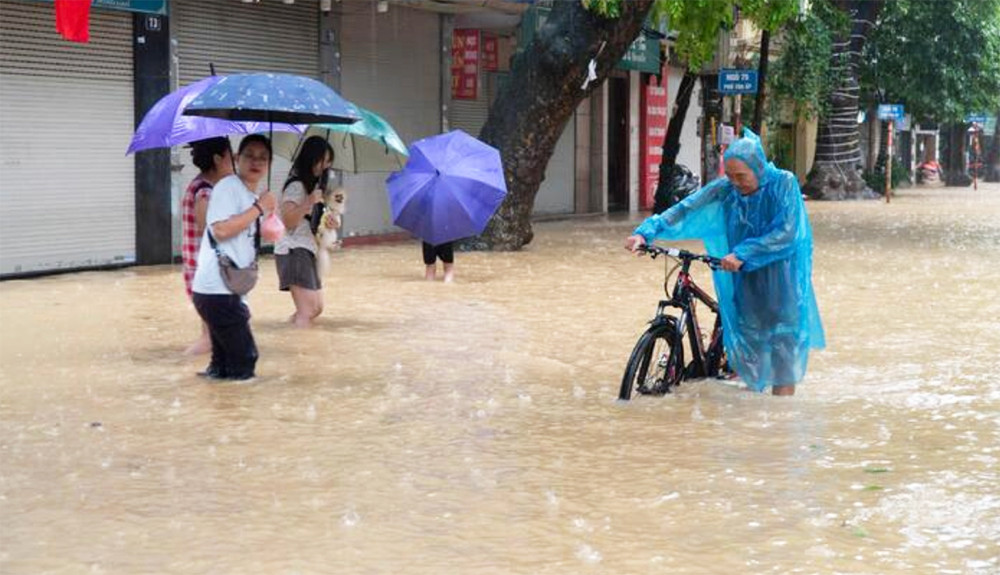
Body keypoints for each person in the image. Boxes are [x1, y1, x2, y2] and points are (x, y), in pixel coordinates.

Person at [625, 128, 825, 396]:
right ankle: (752, 415)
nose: (735, 182)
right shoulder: (727, 188)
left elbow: (787, 231)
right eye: (730, 176)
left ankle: (780, 419)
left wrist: (743, 252)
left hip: (782, 277)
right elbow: (687, 207)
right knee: (750, 341)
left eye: (741, 176)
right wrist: (644, 232)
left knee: (782, 344)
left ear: (758, 169)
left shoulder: (783, 183)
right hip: (743, 273)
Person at [191, 134, 276, 380]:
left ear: (269, 164)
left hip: (223, 290)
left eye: (263, 157)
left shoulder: (250, 196)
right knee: (245, 361)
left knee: (222, 366)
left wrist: (268, 215)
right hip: (218, 290)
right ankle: (241, 415)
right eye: (250, 155)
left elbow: (247, 235)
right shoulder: (229, 187)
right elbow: (220, 230)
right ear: (238, 158)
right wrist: (259, 208)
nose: (256, 161)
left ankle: (218, 413)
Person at [274, 136, 339, 328]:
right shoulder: (296, 185)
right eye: (322, 161)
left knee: (316, 308)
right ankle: (302, 352)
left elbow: (311, 222)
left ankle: (289, 331)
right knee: (308, 310)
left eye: (328, 162)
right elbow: (288, 221)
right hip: (293, 249)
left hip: (306, 248)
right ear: (311, 158)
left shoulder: (312, 187)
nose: (325, 167)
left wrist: (328, 221)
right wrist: (309, 201)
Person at [181, 137, 234, 356]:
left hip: (201, 270)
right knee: (210, 338)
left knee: (214, 334)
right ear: (217, 159)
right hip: (205, 272)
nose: (235, 163)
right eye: (231, 158)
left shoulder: (203, 186)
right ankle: (185, 370)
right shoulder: (204, 191)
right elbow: (207, 229)